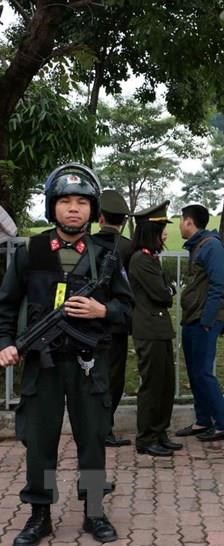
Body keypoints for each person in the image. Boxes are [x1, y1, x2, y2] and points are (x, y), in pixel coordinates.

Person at [0, 163, 133, 545]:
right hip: (43, 366)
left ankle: (94, 512)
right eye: (64, 202)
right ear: (52, 207)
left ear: (92, 209)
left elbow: (129, 310)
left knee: (92, 438)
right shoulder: (33, 250)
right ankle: (39, 515)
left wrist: (102, 310)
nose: (73, 209)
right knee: (41, 442)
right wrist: (6, 343)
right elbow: (6, 306)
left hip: (89, 365)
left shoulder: (105, 255)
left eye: (81, 202)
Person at [175, 203, 224, 442]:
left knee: (203, 373)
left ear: (189, 222)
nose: (179, 225)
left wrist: (208, 320)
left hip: (204, 319)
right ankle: (202, 421)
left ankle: (223, 424)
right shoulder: (198, 246)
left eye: (181, 220)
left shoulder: (212, 247)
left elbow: (219, 286)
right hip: (194, 318)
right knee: (195, 372)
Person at [129, 201, 181, 457]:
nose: (166, 233)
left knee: (165, 384)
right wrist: (169, 290)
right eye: (162, 228)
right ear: (151, 231)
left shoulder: (150, 259)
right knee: (152, 385)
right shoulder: (141, 260)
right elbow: (163, 294)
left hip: (159, 328)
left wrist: (167, 290)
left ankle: (159, 432)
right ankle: (146, 437)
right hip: (149, 329)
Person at [93, 189, 134, 448]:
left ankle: (93, 426)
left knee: (93, 376)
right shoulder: (130, 247)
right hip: (118, 323)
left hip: (89, 323)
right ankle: (105, 427)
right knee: (115, 377)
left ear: (100, 218)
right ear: (123, 220)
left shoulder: (88, 245)